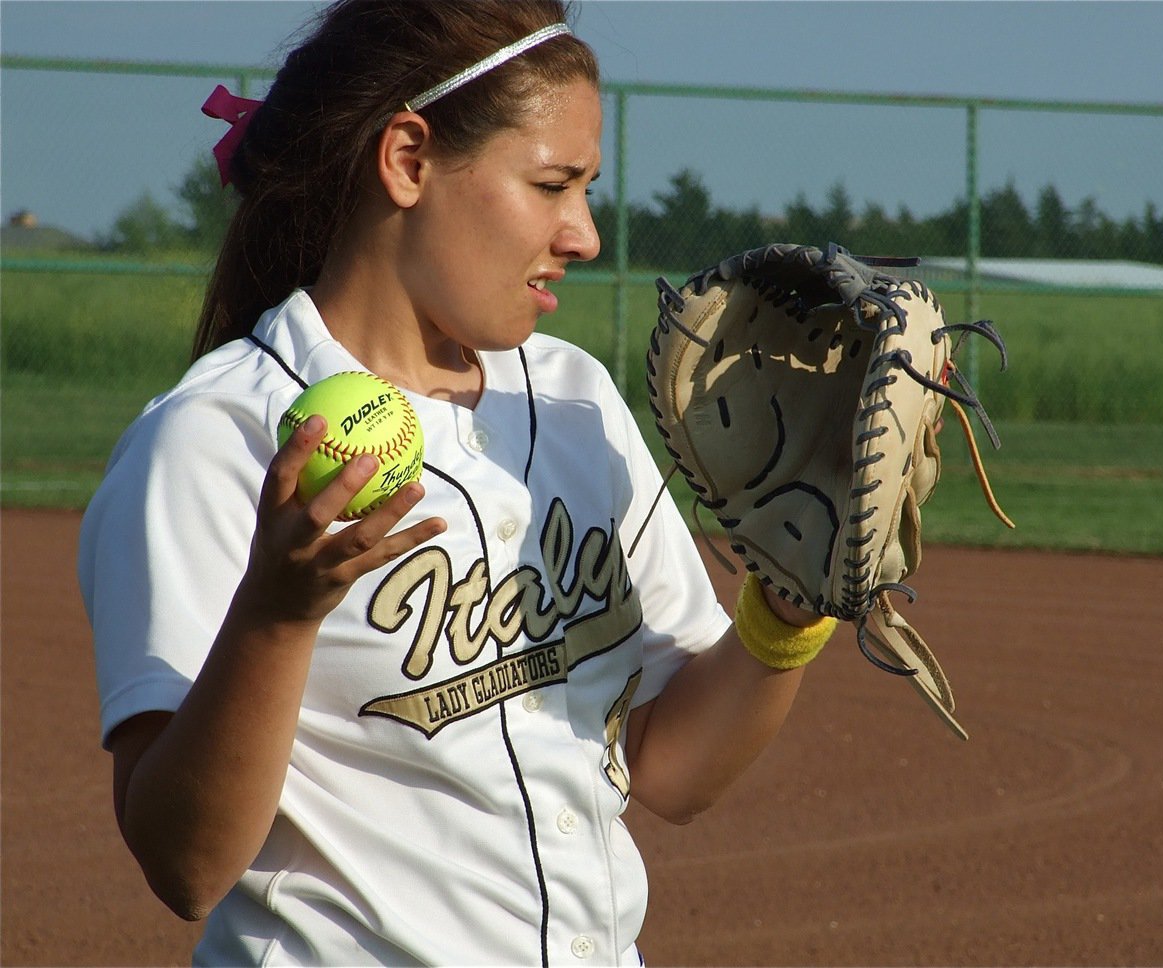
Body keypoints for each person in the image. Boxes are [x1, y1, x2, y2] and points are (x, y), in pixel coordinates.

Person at [77, 1, 838, 964]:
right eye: (553, 184)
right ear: (407, 160)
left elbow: (670, 770)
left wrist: (786, 606)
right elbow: (185, 867)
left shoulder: (575, 399)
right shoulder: (214, 440)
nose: (584, 235)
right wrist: (278, 615)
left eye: (587, 189)